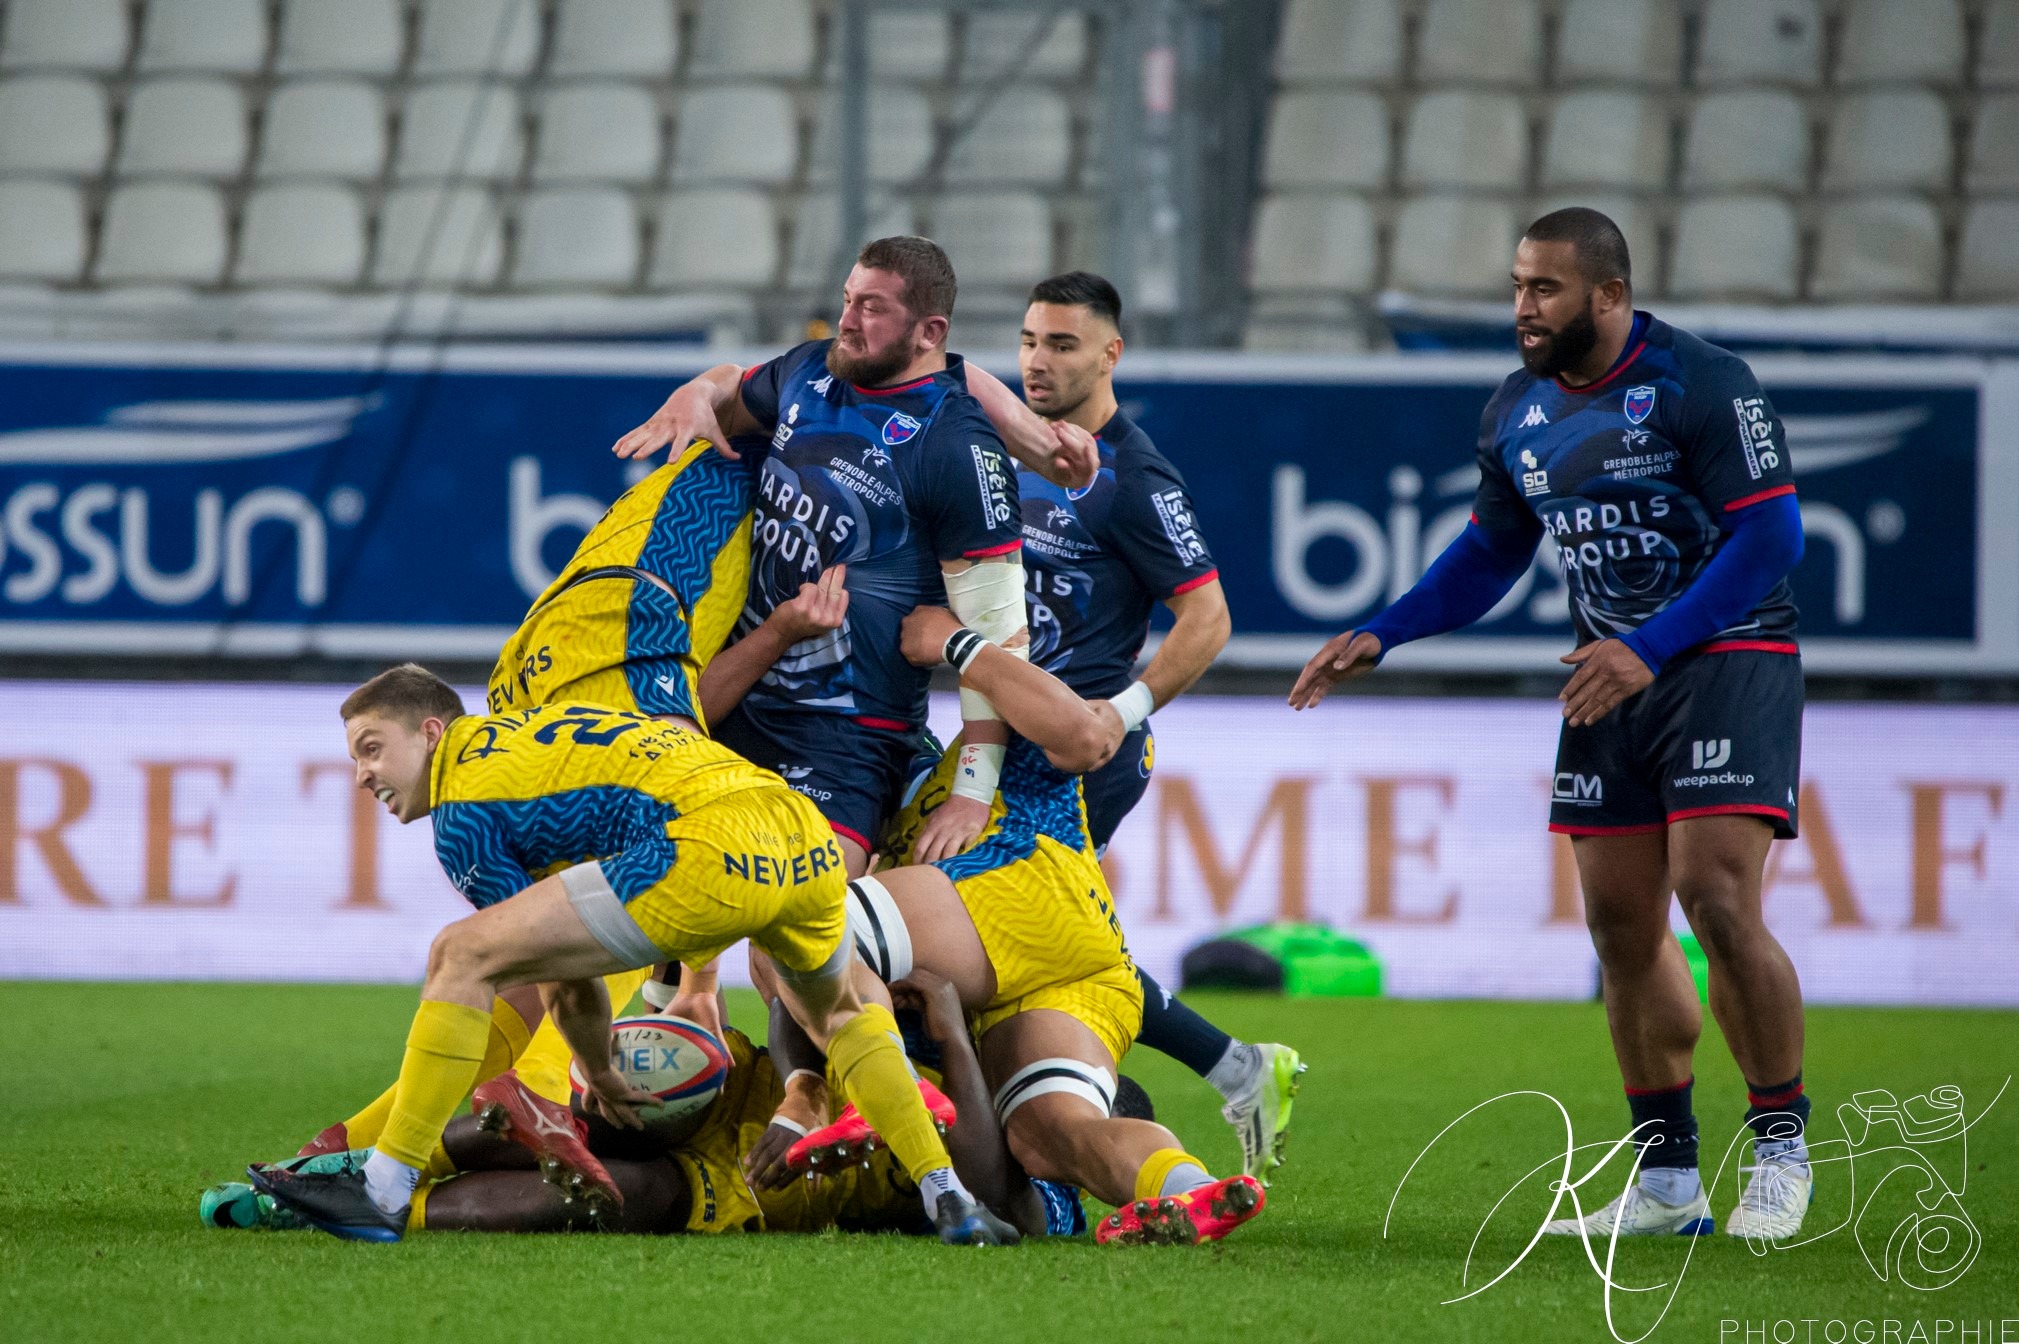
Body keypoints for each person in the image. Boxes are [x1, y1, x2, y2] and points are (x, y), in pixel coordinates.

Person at [1289, 207, 1812, 1242]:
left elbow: (1773, 537)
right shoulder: (1516, 412)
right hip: (1608, 679)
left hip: (1727, 660)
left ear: (1608, 296)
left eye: (1545, 289)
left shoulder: (1704, 383)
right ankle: (1667, 1183)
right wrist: (1383, 633)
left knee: (1714, 897)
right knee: (1620, 925)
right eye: (1519, 286)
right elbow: (1491, 552)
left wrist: (1651, 646)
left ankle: (1782, 1149)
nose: (1523, 308)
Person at [250, 670, 1016, 1246]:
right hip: (800, 830)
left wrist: (602, 1074)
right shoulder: (538, 735)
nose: (363, 776)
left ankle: (382, 1190)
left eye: (371, 748)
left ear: (432, 734)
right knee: (842, 1010)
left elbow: (568, 978)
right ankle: (944, 1191)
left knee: (461, 953)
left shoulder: (464, 811)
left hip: (710, 848)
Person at [611, 236, 1097, 880]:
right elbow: (732, 392)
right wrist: (696, 391)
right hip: (737, 701)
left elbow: (997, 637)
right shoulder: (810, 372)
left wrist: (971, 795)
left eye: (871, 308)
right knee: (655, 884)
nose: (846, 321)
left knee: (798, 931)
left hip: (847, 736)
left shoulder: (958, 446)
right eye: (847, 300)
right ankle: (686, 986)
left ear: (930, 332)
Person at [790, 604, 1267, 1246]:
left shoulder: (980, 735)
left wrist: (952, 641)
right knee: (1052, 1135)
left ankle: (878, 1094)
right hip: (1090, 966)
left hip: (1019, 890)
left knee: (798, 926)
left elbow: (1085, 733)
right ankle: (1188, 1187)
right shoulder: (899, 798)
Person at [1015, 271, 1304, 1183]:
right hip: (1017, 743)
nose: (1037, 362)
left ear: (1110, 354)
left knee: (1014, 935)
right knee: (1049, 941)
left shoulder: (1134, 478)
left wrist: (1118, 711)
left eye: (1062, 345)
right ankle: (1237, 1066)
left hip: (1083, 756)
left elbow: (1208, 618)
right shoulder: (1017, 449)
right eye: (1028, 341)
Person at [210, 971, 1123, 1241]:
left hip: (782, 1135)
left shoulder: (1031, 1175)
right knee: (632, 1187)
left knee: (619, 1172)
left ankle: (360, 1179)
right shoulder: (1015, 1122)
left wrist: (955, 1032)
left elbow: (993, 1188)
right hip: (768, 1126)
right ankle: (392, 1197)